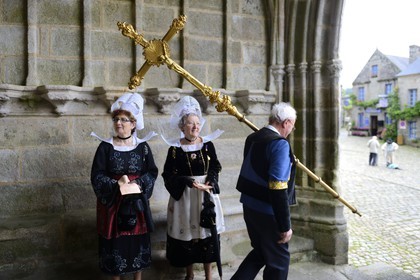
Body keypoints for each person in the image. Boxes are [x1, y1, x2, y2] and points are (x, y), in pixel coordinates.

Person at [90, 93, 158, 280]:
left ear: (133, 123)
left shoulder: (143, 147)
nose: (119, 123)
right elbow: (97, 175)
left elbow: (151, 172)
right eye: (116, 119)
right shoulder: (105, 147)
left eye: (123, 119)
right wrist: (115, 184)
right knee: (116, 244)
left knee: (137, 239)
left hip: (137, 202)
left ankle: (138, 278)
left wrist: (138, 184)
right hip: (113, 204)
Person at [161, 96, 225, 280]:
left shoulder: (207, 145)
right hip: (186, 197)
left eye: (198, 123)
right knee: (188, 234)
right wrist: (187, 181)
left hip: (206, 195)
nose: (195, 127)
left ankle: (208, 275)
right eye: (190, 124)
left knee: (207, 234)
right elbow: (168, 174)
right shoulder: (174, 149)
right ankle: (189, 274)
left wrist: (211, 180)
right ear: (182, 127)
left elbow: (215, 166)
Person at [231, 102, 297, 280]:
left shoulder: (253, 138)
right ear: (285, 123)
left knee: (261, 251)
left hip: (249, 206)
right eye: (292, 124)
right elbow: (278, 186)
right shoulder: (280, 144)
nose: (292, 129)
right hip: (268, 212)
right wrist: (285, 226)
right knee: (279, 262)